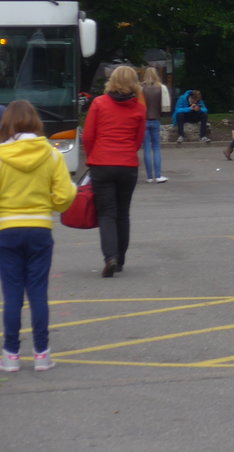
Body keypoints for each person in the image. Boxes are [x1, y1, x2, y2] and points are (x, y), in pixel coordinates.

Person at [0, 100, 77, 372]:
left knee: (11, 295)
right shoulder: (52, 155)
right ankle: (42, 353)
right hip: (40, 229)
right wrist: (55, 202)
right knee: (38, 293)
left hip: (7, 230)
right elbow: (65, 196)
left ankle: (10, 354)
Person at [83, 65, 146, 278]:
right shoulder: (139, 108)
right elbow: (138, 140)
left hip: (102, 163)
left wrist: (92, 157)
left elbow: (88, 135)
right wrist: (127, 152)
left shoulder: (99, 103)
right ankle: (120, 259)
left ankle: (110, 257)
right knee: (122, 213)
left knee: (106, 214)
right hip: (127, 165)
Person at [140, 67, 169, 183]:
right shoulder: (161, 88)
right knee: (156, 148)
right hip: (156, 119)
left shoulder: (141, 88)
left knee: (146, 148)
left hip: (144, 120)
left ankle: (149, 177)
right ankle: (158, 175)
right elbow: (165, 107)